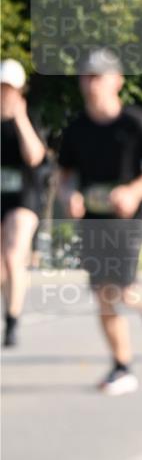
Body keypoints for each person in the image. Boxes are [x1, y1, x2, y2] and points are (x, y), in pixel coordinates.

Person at [57, 48, 142, 395]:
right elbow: (65, 175)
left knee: (122, 290)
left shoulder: (135, 123)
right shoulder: (76, 129)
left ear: (117, 80)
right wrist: (70, 196)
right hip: (93, 222)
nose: (91, 84)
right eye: (86, 77)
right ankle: (122, 367)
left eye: (98, 76)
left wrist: (135, 191)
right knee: (102, 293)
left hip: (130, 221)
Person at [1, 59, 47, 347]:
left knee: (14, 251)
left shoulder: (29, 120)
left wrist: (19, 118)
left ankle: (13, 321)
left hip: (24, 197)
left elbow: (34, 156)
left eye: (9, 89)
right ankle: (10, 308)